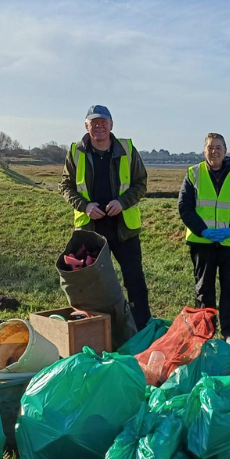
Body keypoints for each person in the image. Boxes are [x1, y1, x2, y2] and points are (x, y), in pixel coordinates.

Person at [59, 104, 151, 330]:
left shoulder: (128, 149)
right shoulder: (75, 151)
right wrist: (85, 206)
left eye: (103, 122)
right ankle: (97, 330)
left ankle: (142, 329)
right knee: (92, 285)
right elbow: (65, 186)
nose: (99, 126)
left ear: (111, 125)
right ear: (86, 126)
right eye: (94, 123)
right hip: (90, 232)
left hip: (124, 229)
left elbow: (140, 184)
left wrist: (122, 202)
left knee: (135, 282)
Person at [178, 133, 230, 342]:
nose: (214, 151)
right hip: (202, 241)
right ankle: (205, 332)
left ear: (225, 151)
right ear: (204, 151)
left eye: (218, 147)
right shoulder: (193, 173)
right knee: (204, 289)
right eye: (210, 147)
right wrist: (202, 230)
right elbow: (185, 207)